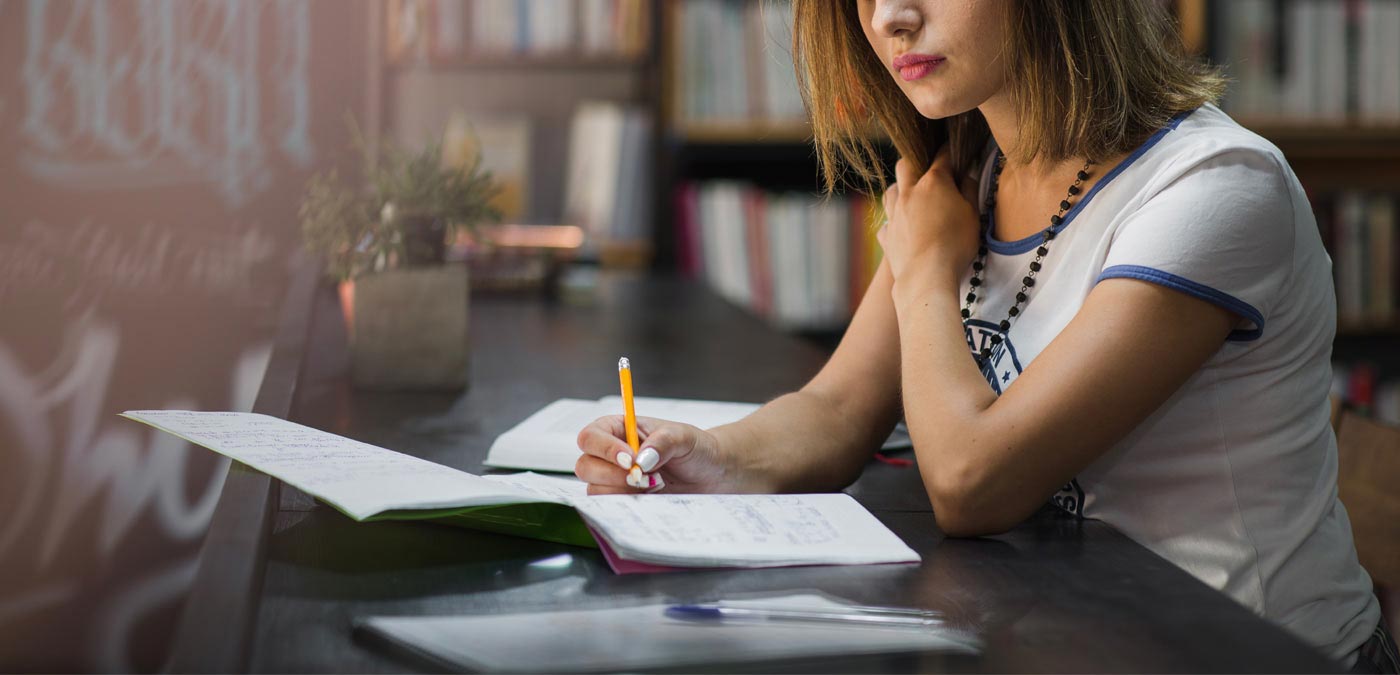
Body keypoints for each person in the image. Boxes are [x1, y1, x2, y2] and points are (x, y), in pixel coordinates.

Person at [574, 1, 1396, 671]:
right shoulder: (973, 167)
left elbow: (974, 484)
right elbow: (838, 405)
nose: (890, 17)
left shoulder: (1214, 188)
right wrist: (706, 454)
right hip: (1057, 635)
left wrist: (927, 271)